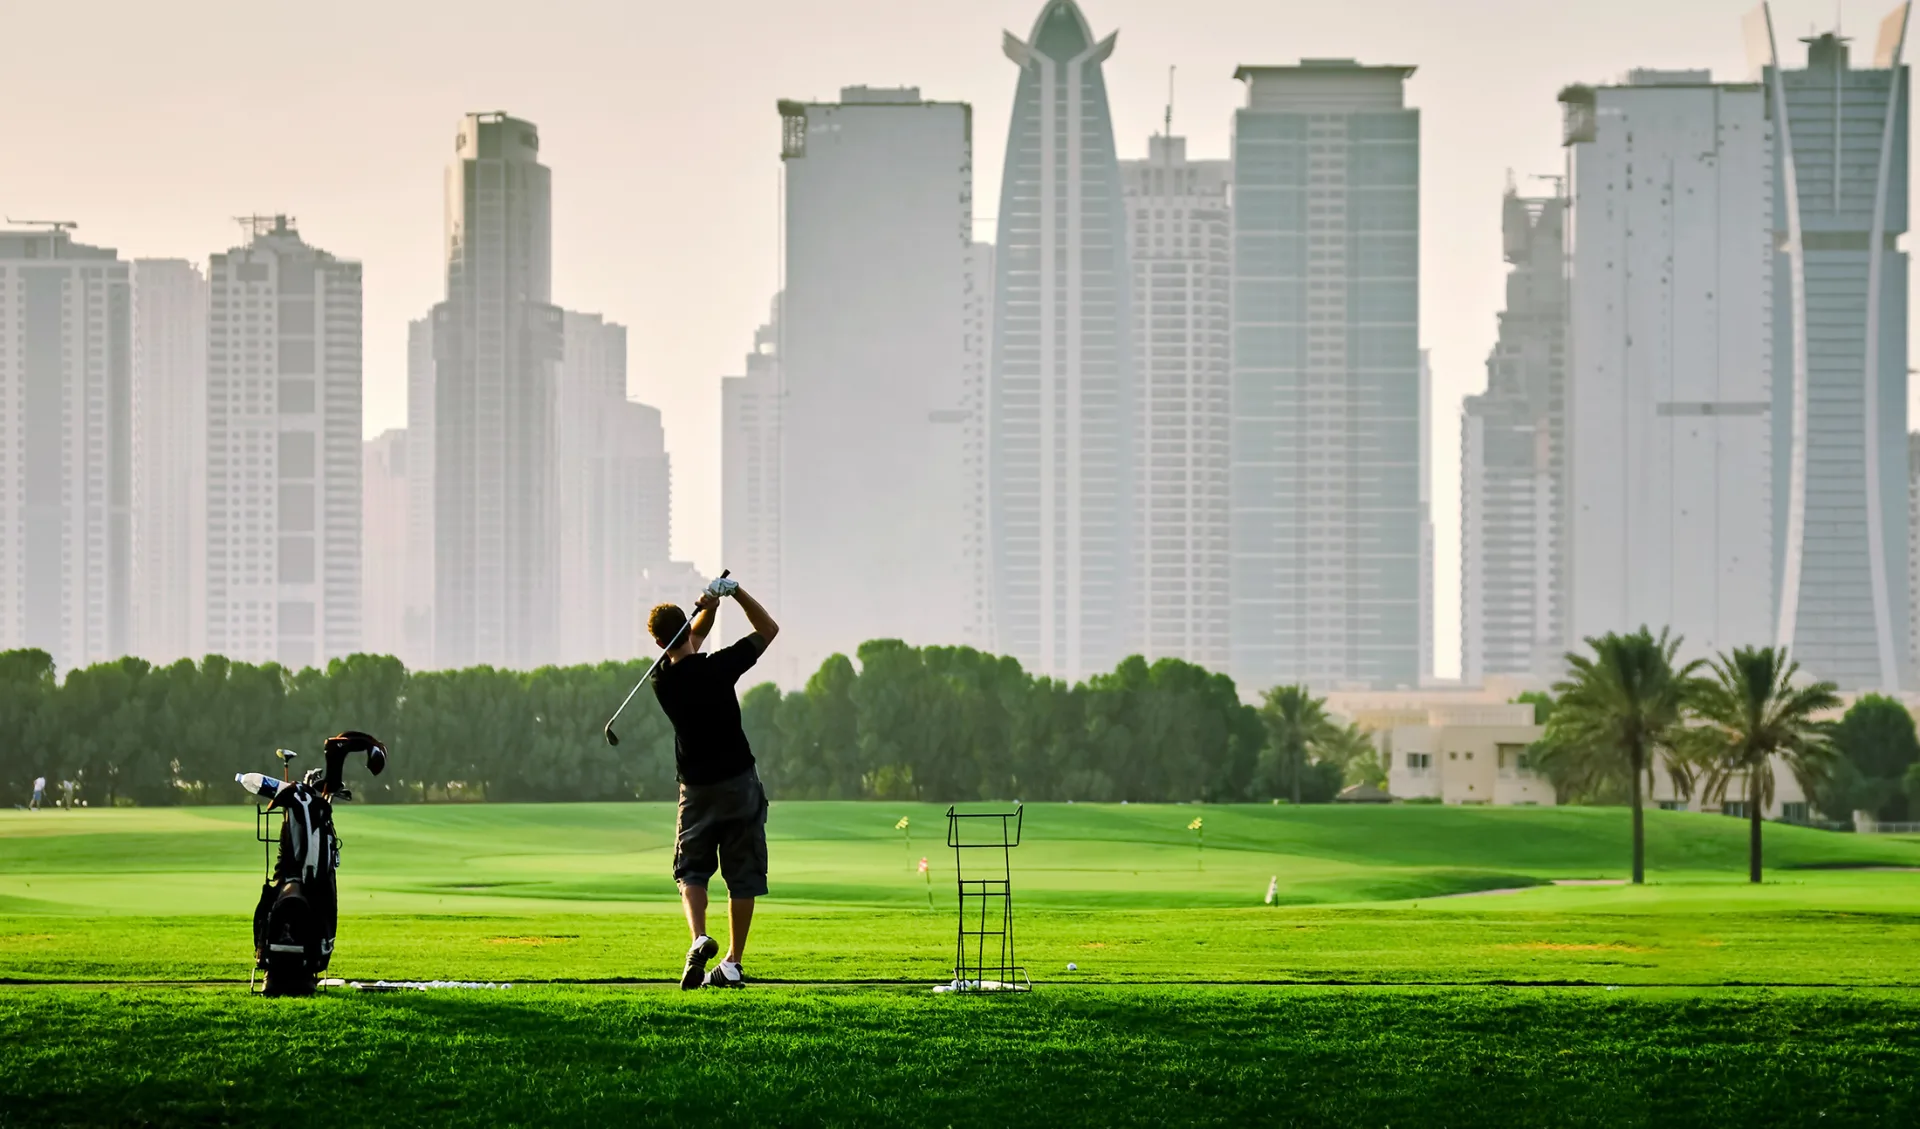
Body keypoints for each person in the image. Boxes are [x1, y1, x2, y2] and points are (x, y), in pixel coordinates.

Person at [647, 577, 779, 990]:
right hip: (739, 780)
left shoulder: (660, 681)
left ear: (658, 645)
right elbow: (768, 630)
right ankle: (733, 962)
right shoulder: (720, 666)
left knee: (691, 870)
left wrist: (707, 610)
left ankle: (698, 938)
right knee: (742, 872)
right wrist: (731, 595)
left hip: (696, 788)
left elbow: (686, 644)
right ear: (686, 630)